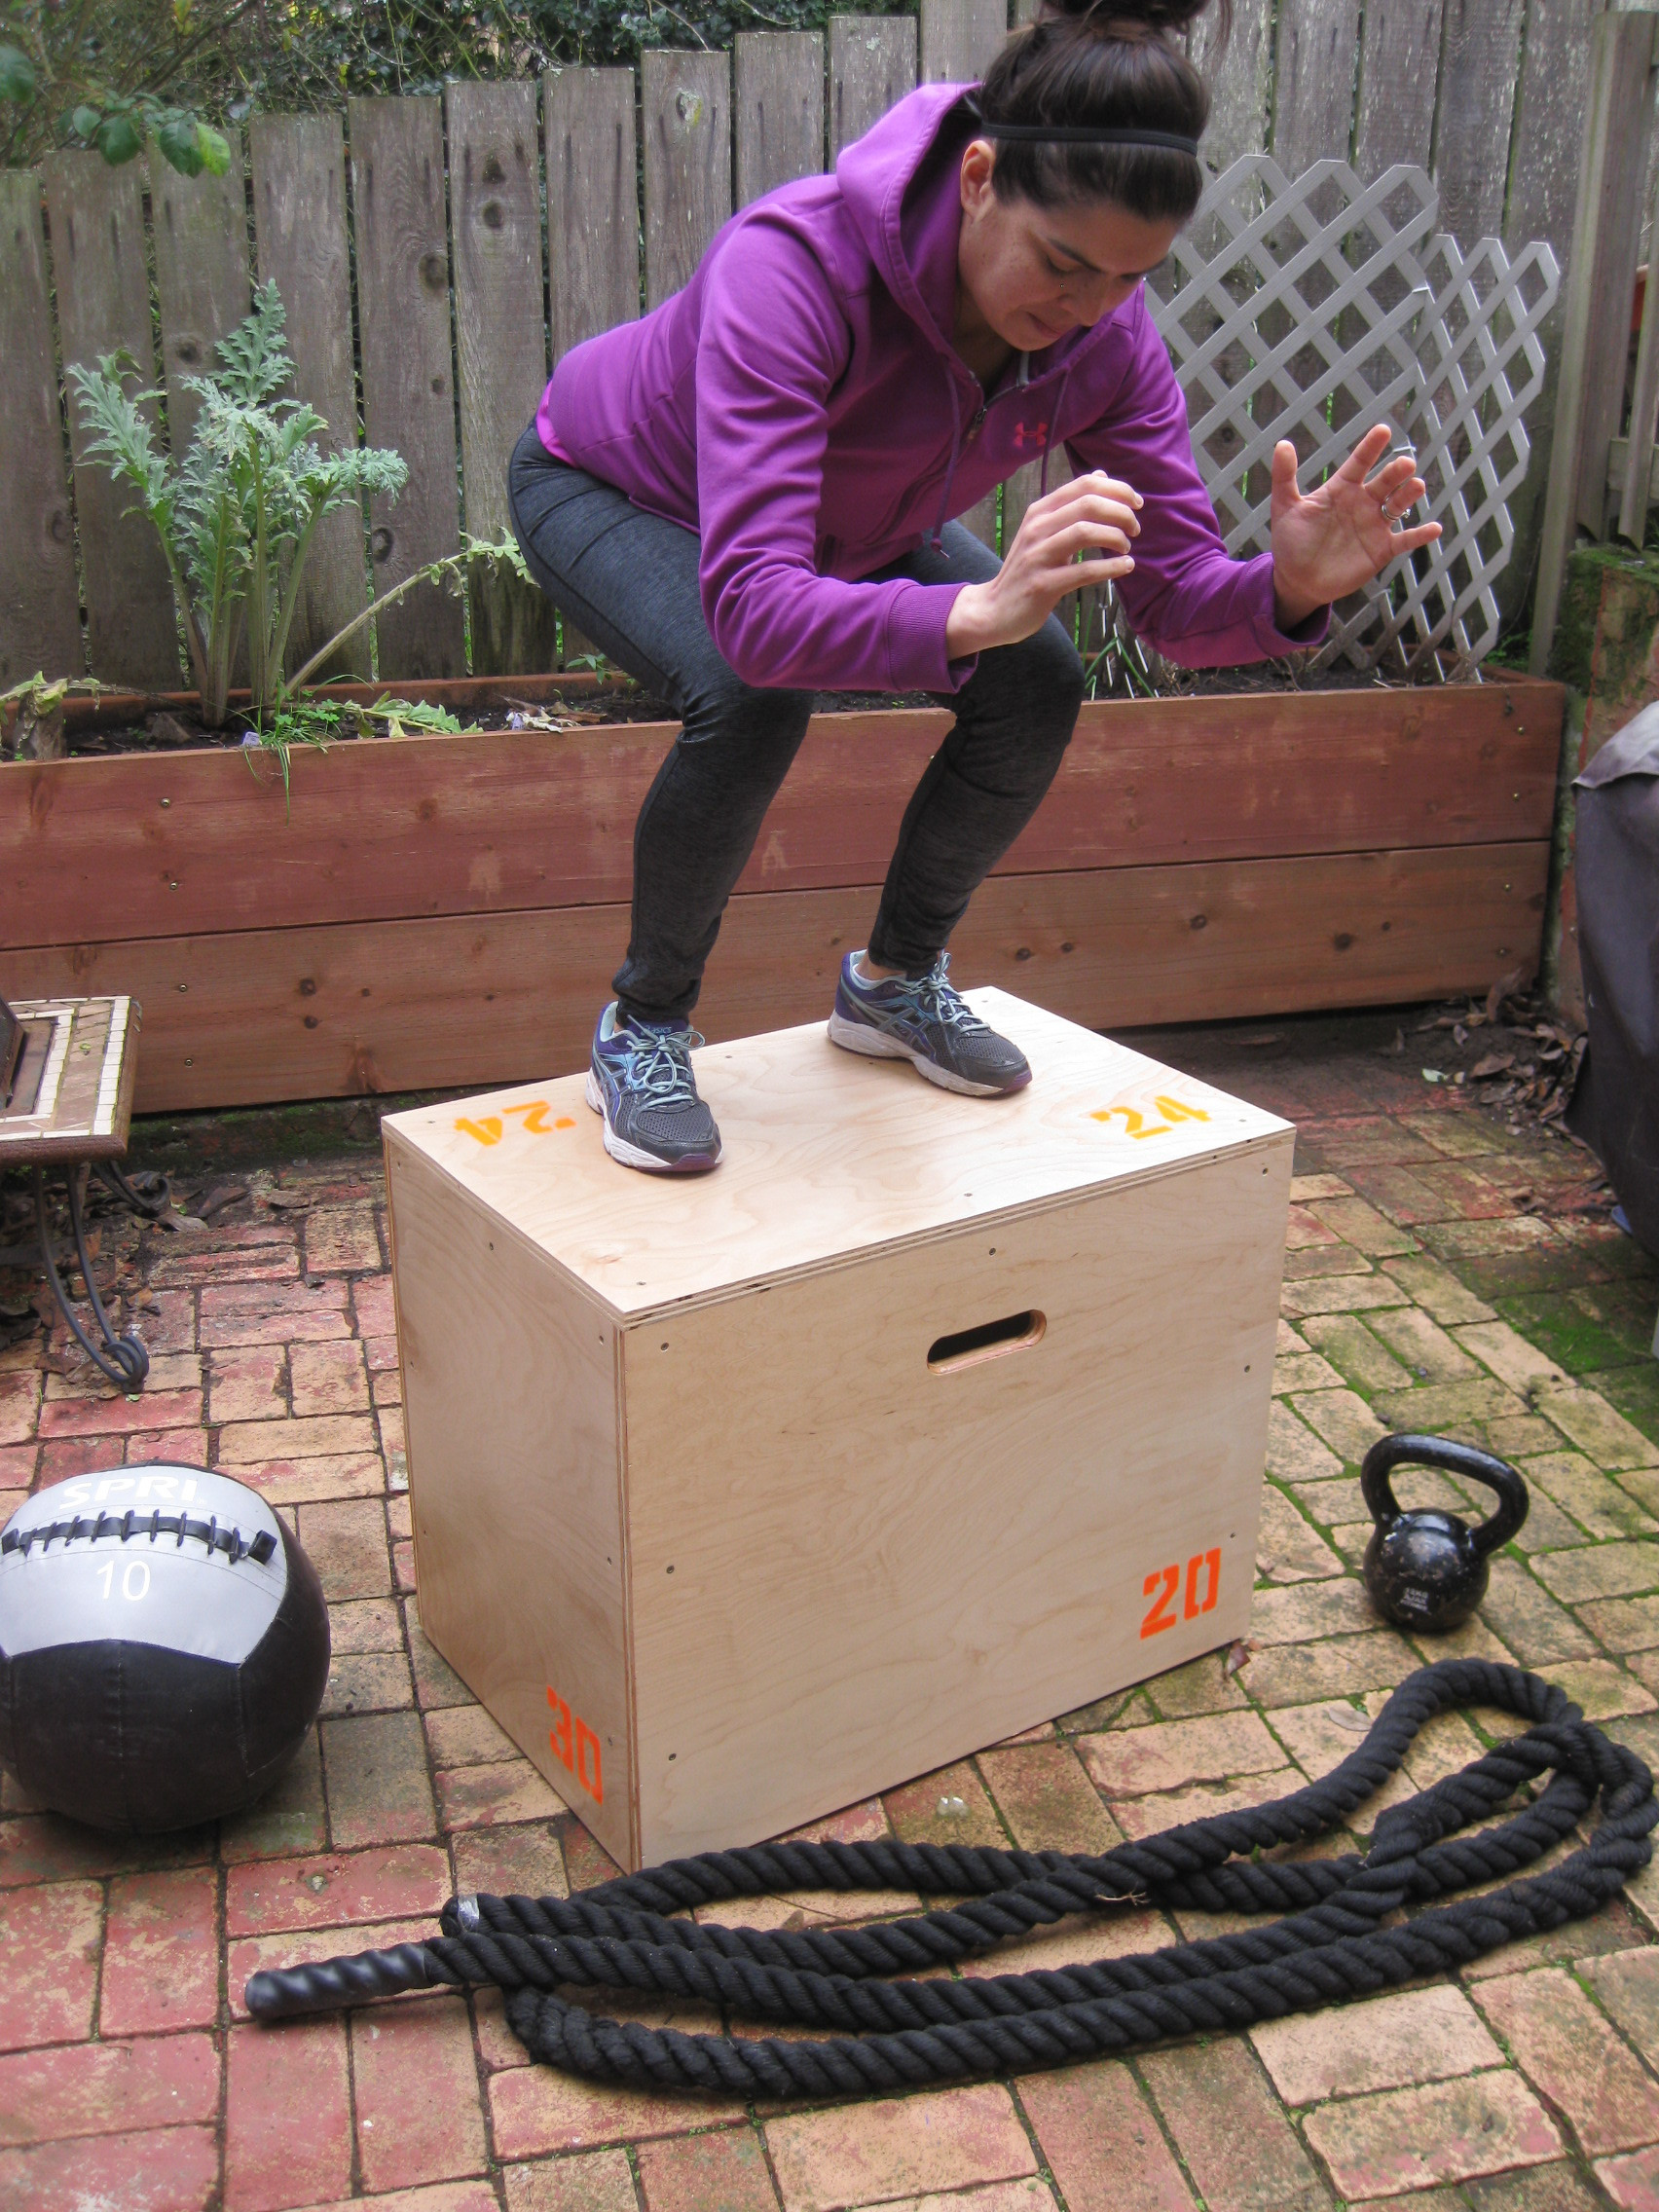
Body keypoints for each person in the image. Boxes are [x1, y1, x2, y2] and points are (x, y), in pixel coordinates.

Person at [508, 0, 1441, 1175]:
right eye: (1064, 264)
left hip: (855, 524)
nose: (1090, 308)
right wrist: (972, 608)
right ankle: (644, 1024)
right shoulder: (792, 267)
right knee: (752, 695)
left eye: (1129, 277)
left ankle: (891, 985)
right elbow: (751, 609)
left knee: (1037, 683)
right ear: (981, 175)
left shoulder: (1107, 337)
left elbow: (1170, 599)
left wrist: (1289, 590)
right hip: (617, 488)